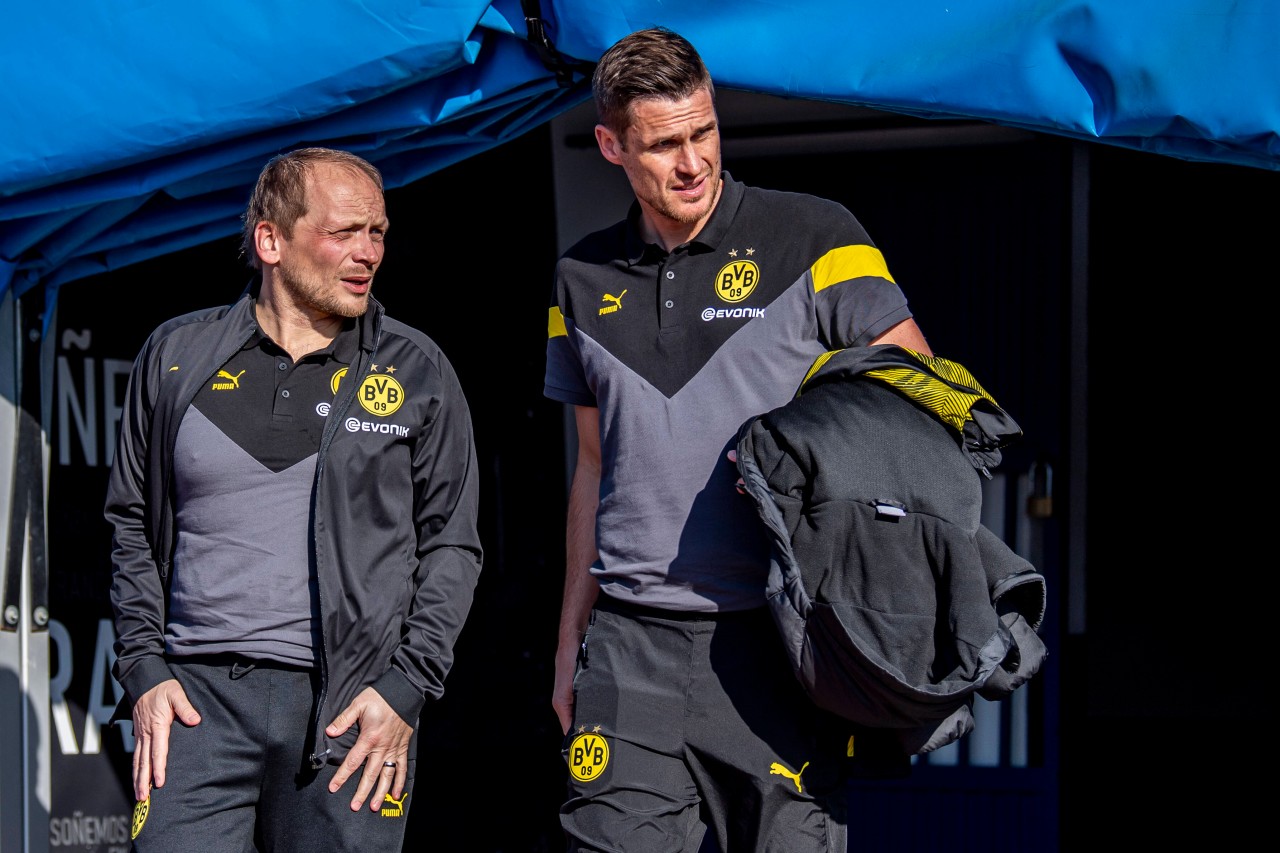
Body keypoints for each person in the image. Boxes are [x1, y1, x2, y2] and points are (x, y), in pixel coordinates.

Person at [543, 27, 933, 852]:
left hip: (781, 647)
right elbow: (590, 465)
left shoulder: (818, 235)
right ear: (611, 145)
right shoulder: (579, 278)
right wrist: (569, 635)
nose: (692, 163)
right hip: (627, 645)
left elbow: (917, 397)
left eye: (703, 131)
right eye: (663, 144)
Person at [106, 147, 483, 851]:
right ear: (270, 240)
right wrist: (144, 670)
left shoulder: (417, 369)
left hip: (351, 713)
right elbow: (130, 522)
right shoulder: (178, 355)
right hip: (196, 707)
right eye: (345, 231)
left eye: (378, 232)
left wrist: (406, 688)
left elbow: (453, 545)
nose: (367, 252)